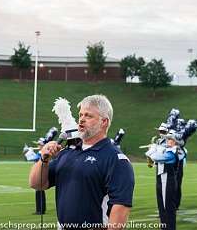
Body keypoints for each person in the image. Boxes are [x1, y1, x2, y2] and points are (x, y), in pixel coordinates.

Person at [29, 94, 135, 228]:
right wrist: (43, 160)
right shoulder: (67, 152)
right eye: (80, 115)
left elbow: (120, 207)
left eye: (88, 116)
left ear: (104, 122)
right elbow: (37, 184)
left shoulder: (116, 159)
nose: (81, 120)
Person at [146, 129, 180, 230]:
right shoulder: (165, 149)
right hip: (161, 179)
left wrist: (152, 150)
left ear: (174, 141)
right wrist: (154, 148)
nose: (167, 141)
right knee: (161, 207)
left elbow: (157, 158)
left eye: (170, 139)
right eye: (167, 139)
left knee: (168, 208)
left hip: (168, 180)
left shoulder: (172, 152)